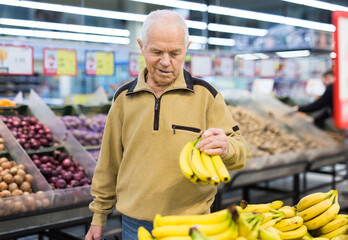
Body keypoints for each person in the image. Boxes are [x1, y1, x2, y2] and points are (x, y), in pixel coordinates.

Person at [85, 9, 248, 240]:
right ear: (142, 46)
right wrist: (98, 216)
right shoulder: (124, 98)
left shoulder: (206, 95)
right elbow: (109, 163)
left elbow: (240, 151)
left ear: (187, 49)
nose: (165, 62)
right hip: (135, 224)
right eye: (156, 52)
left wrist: (226, 147)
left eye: (175, 53)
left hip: (192, 224)